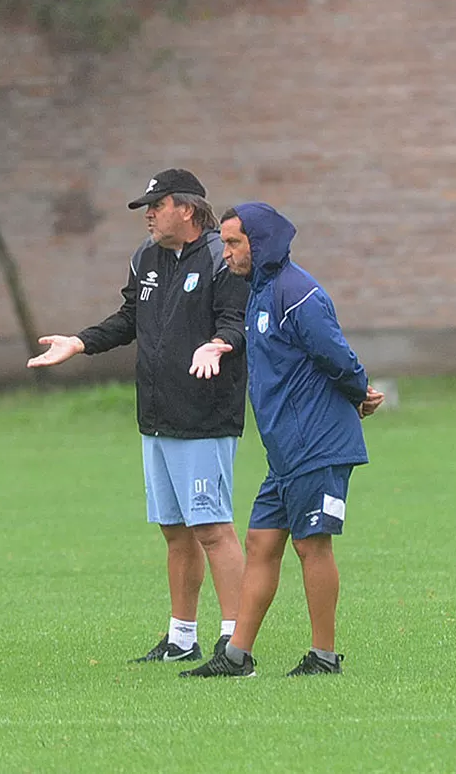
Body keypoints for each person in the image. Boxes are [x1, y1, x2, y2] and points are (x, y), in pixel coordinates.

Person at [28, 169, 249, 663]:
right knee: (174, 531)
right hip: (155, 415)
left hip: (204, 417)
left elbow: (238, 323)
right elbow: (130, 319)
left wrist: (218, 345)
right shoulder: (145, 258)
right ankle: (181, 638)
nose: (148, 214)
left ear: (187, 209)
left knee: (212, 528)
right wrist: (79, 342)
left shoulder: (220, 258)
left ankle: (234, 641)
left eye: (157, 204)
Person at [181, 202, 384, 679]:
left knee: (312, 546)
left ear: (261, 243)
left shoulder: (297, 293)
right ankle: (236, 655)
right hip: (285, 451)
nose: (225, 253)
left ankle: (324, 656)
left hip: (318, 444)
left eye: (234, 243)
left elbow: (336, 354)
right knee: (260, 541)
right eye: (225, 243)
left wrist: (358, 393)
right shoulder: (259, 293)